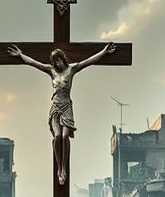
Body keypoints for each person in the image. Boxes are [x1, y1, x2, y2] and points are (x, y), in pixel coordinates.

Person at [6, 41, 117, 185]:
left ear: (62, 58)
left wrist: (103, 52)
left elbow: (89, 61)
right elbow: (34, 63)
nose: (57, 64)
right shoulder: (51, 71)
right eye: (54, 61)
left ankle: (63, 167)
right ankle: (60, 168)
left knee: (65, 136)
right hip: (55, 106)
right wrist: (21, 55)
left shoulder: (71, 69)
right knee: (57, 136)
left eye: (58, 60)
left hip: (66, 105)